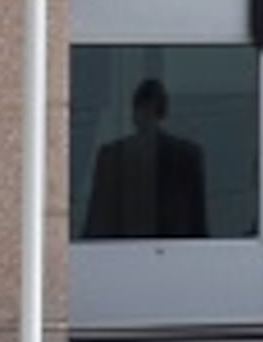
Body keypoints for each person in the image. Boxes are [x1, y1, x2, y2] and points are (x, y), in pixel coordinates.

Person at [79, 76, 211, 242]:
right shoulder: (188, 155)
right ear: (164, 112)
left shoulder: (112, 155)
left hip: (124, 253)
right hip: (173, 254)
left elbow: (97, 221)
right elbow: (198, 224)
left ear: (134, 113)